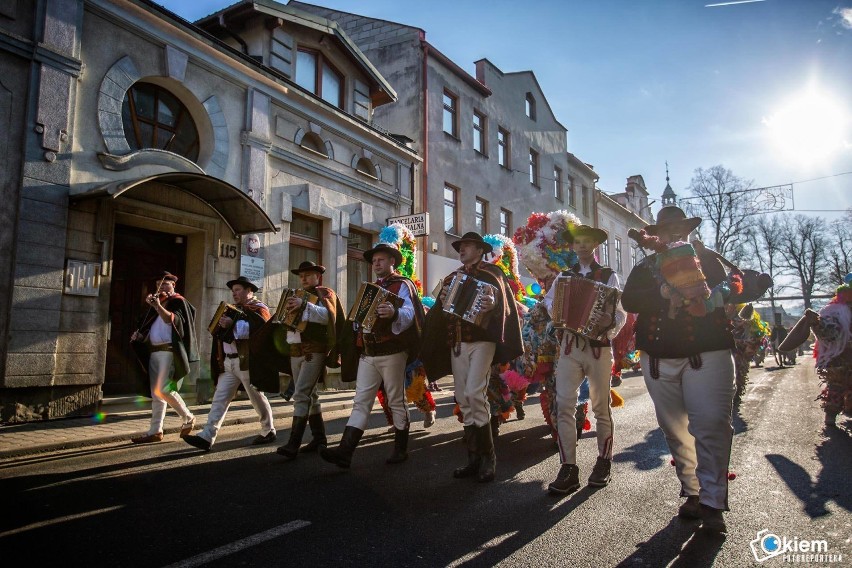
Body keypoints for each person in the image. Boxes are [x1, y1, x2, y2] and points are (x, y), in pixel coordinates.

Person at [622, 206, 736, 534]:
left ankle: (713, 502)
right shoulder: (646, 265)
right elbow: (629, 300)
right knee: (675, 429)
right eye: (667, 229)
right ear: (656, 234)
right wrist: (662, 293)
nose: (674, 233)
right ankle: (693, 491)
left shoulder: (707, 259)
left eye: (679, 228)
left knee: (711, 423)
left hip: (708, 352)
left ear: (687, 230)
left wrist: (710, 292)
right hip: (658, 356)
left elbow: (729, 289)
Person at [421, 232, 523, 483]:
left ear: (480, 250)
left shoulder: (493, 274)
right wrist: (443, 302)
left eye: (467, 246)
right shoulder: (453, 277)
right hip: (457, 342)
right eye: (461, 246)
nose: (462, 249)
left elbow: (504, 305)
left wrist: (493, 304)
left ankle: (489, 459)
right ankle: (473, 459)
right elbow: (442, 314)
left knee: (476, 393)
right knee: (463, 397)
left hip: (482, 341)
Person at [320, 242, 425, 468]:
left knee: (396, 400)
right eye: (374, 261)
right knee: (360, 402)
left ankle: (401, 449)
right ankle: (345, 452)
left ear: (392, 262)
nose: (376, 264)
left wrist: (394, 311)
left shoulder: (403, 285)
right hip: (368, 353)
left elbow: (410, 312)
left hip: (393, 352)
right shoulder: (370, 289)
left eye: (381, 260)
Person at [542, 225, 626, 494]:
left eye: (586, 241)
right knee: (564, 405)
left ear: (594, 245)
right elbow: (548, 303)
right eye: (577, 242)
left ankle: (604, 462)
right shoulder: (564, 277)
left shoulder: (608, 276)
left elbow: (620, 314)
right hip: (569, 348)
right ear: (573, 246)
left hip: (598, 347)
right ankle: (569, 468)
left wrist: (609, 320)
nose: (581, 246)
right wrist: (557, 313)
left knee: (601, 407)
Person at [184, 276, 278, 451]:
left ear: (249, 290)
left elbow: (260, 332)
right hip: (228, 362)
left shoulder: (259, 308)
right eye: (233, 290)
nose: (234, 293)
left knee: (256, 397)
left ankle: (268, 429)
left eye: (238, 290)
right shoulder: (231, 309)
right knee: (220, 399)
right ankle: (207, 435)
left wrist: (232, 323)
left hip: (247, 362)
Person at [277, 261, 345, 459]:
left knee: (301, 394)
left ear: (318, 276)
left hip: (313, 351)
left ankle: (293, 443)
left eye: (308, 274)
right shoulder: (295, 295)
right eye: (301, 275)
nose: (304, 278)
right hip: (295, 350)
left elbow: (329, 318)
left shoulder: (325, 293)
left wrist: (305, 305)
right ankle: (319, 439)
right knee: (311, 395)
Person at [129, 271, 198, 444]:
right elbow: (152, 328)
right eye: (159, 283)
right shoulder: (158, 304)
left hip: (169, 351)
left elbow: (172, 322)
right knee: (156, 394)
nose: (162, 287)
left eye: (165, 283)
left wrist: (158, 306)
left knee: (164, 389)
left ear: (173, 285)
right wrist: (140, 336)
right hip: (154, 351)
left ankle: (188, 417)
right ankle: (155, 431)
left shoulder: (177, 302)